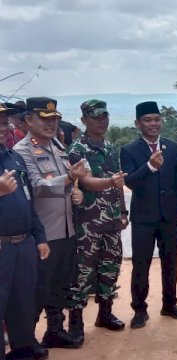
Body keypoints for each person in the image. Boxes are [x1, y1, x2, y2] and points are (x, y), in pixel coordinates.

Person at [13, 97, 86, 352]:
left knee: (60, 284)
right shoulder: (23, 151)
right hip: (43, 232)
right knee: (37, 289)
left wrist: (77, 192)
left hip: (66, 228)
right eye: (44, 118)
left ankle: (55, 331)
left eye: (54, 118)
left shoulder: (57, 145)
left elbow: (69, 183)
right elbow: (36, 187)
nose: (51, 123)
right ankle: (27, 339)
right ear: (28, 120)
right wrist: (69, 179)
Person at [120, 101, 177, 329]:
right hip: (143, 218)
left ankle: (169, 304)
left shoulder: (173, 147)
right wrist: (149, 166)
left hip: (170, 216)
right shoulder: (129, 150)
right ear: (137, 123)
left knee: (171, 263)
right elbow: (129, 181)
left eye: (156, 119)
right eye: (148, 120)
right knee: (141, 265)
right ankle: (139, 309)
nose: (153, 124)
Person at [67, 99, 129, 342]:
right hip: (88, 224)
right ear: (84, 120)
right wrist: (112, 182)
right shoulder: (77, 150)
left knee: (110, 268)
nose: (101, 121)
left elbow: (119, 184)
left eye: (104, 116)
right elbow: (87, 182)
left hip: (112, 221)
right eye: (95, 117)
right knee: (83, 272)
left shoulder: (111, 147)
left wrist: (123, 212)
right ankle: (75, 321)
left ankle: (105, 313)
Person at [0, 102, 49, 360]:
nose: (2, 126)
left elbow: (28, 201)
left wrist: (39, 236)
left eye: (4, 120)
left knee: (22, 308)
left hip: (24, 245)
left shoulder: (13, 157)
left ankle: (22, 353)